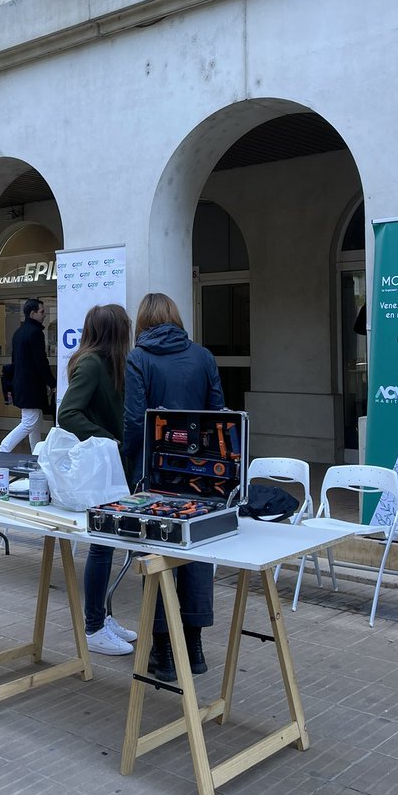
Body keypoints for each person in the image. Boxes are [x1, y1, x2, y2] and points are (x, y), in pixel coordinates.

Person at [124, 292, 224, 682]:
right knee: (195, 552)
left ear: (143, 322)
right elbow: (218, 413)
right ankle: (194, 647)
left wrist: (128, 464)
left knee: (157, 554)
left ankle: (164, 651)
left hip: (155, 472)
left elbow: (135, 421)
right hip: (202, 471)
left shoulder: (139, 358)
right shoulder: (203, 356)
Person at [57, 303, 138, 656]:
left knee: (106, 544)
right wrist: (108, 440)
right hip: (102, 466)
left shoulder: (109, 362)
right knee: (102, 546)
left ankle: (102, 617)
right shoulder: (92, 363)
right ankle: (93, 626)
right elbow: (67, 413)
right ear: (115, 330)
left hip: (111, 465)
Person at [0, 298, 55, 453]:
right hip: (31, 387)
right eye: (42, 312)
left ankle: (36, 454)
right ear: (32, 314)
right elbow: (41, 361)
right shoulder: (35, 333)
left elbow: (16, 360)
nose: (45, 315)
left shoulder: (19, 332)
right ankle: (1, 451)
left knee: (35, 422)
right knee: (29, 423)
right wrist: (52, 383)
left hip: (22, 385)